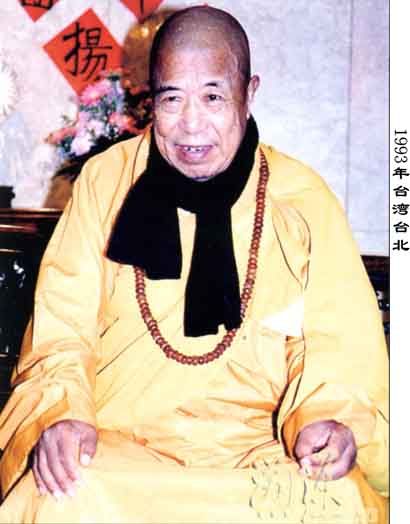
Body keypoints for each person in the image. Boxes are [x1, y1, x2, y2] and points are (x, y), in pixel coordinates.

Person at [0, 6, 388, 523]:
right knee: (58, 493)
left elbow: (336, 347)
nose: (191, 124)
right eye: (172, 99)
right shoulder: (105, 182)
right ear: (150, 100)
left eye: (212, 97)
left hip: (258, 453)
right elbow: (61, 332)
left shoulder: (301, 201)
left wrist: (325, 421)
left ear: (249, 94)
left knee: (335, 501)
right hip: (121, 453)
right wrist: (64, 414)